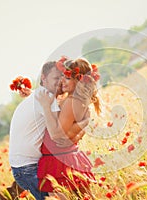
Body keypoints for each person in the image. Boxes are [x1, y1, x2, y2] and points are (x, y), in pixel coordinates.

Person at [9, 60, 88, 200]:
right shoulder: (48, 99)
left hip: (23, 167)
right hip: (28, 169)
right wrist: (85, 123)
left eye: (62, 77)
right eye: (56, 78)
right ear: (43, 79)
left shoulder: (40, 94)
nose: (60, 82)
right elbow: (59, 134)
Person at [36, 57, 101, 199]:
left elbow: (57, 135)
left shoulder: (72, 101)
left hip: (58, 161)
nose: (62, 81)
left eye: (67, 78)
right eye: (62, 77)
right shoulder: (75, 99)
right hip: (64, 157)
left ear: (78, 80)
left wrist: (46, 107)